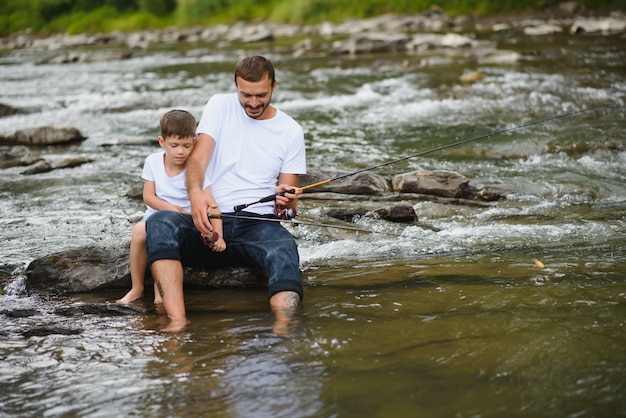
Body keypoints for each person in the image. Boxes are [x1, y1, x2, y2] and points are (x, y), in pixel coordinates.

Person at [145, 55, 306, 333]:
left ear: (274, 87)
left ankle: (284, 327)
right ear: (235, 86)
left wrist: (289, 201)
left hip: (259, 227)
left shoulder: (291, 131)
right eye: (246, 95)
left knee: (284, 249)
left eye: (261, 95)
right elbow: (197, 160)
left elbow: (287, 209)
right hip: (209, 221)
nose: (253, 103)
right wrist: (195, 193)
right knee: (159, 223)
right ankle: (177, 322)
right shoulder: (220, 105)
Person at [117, 109, 225, 304]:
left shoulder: (195, 169)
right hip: (157, 214)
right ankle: (137, 288)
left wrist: (219, 235)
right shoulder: (153, 162)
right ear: (162, 142)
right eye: (174, 145)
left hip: (185, 221)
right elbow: (148, 196)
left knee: (166, 237)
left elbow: (213, 207)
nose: (180, 151)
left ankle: (161, 293)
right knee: (139, 232)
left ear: (194, 141)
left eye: (186, 145)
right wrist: (168, 207)